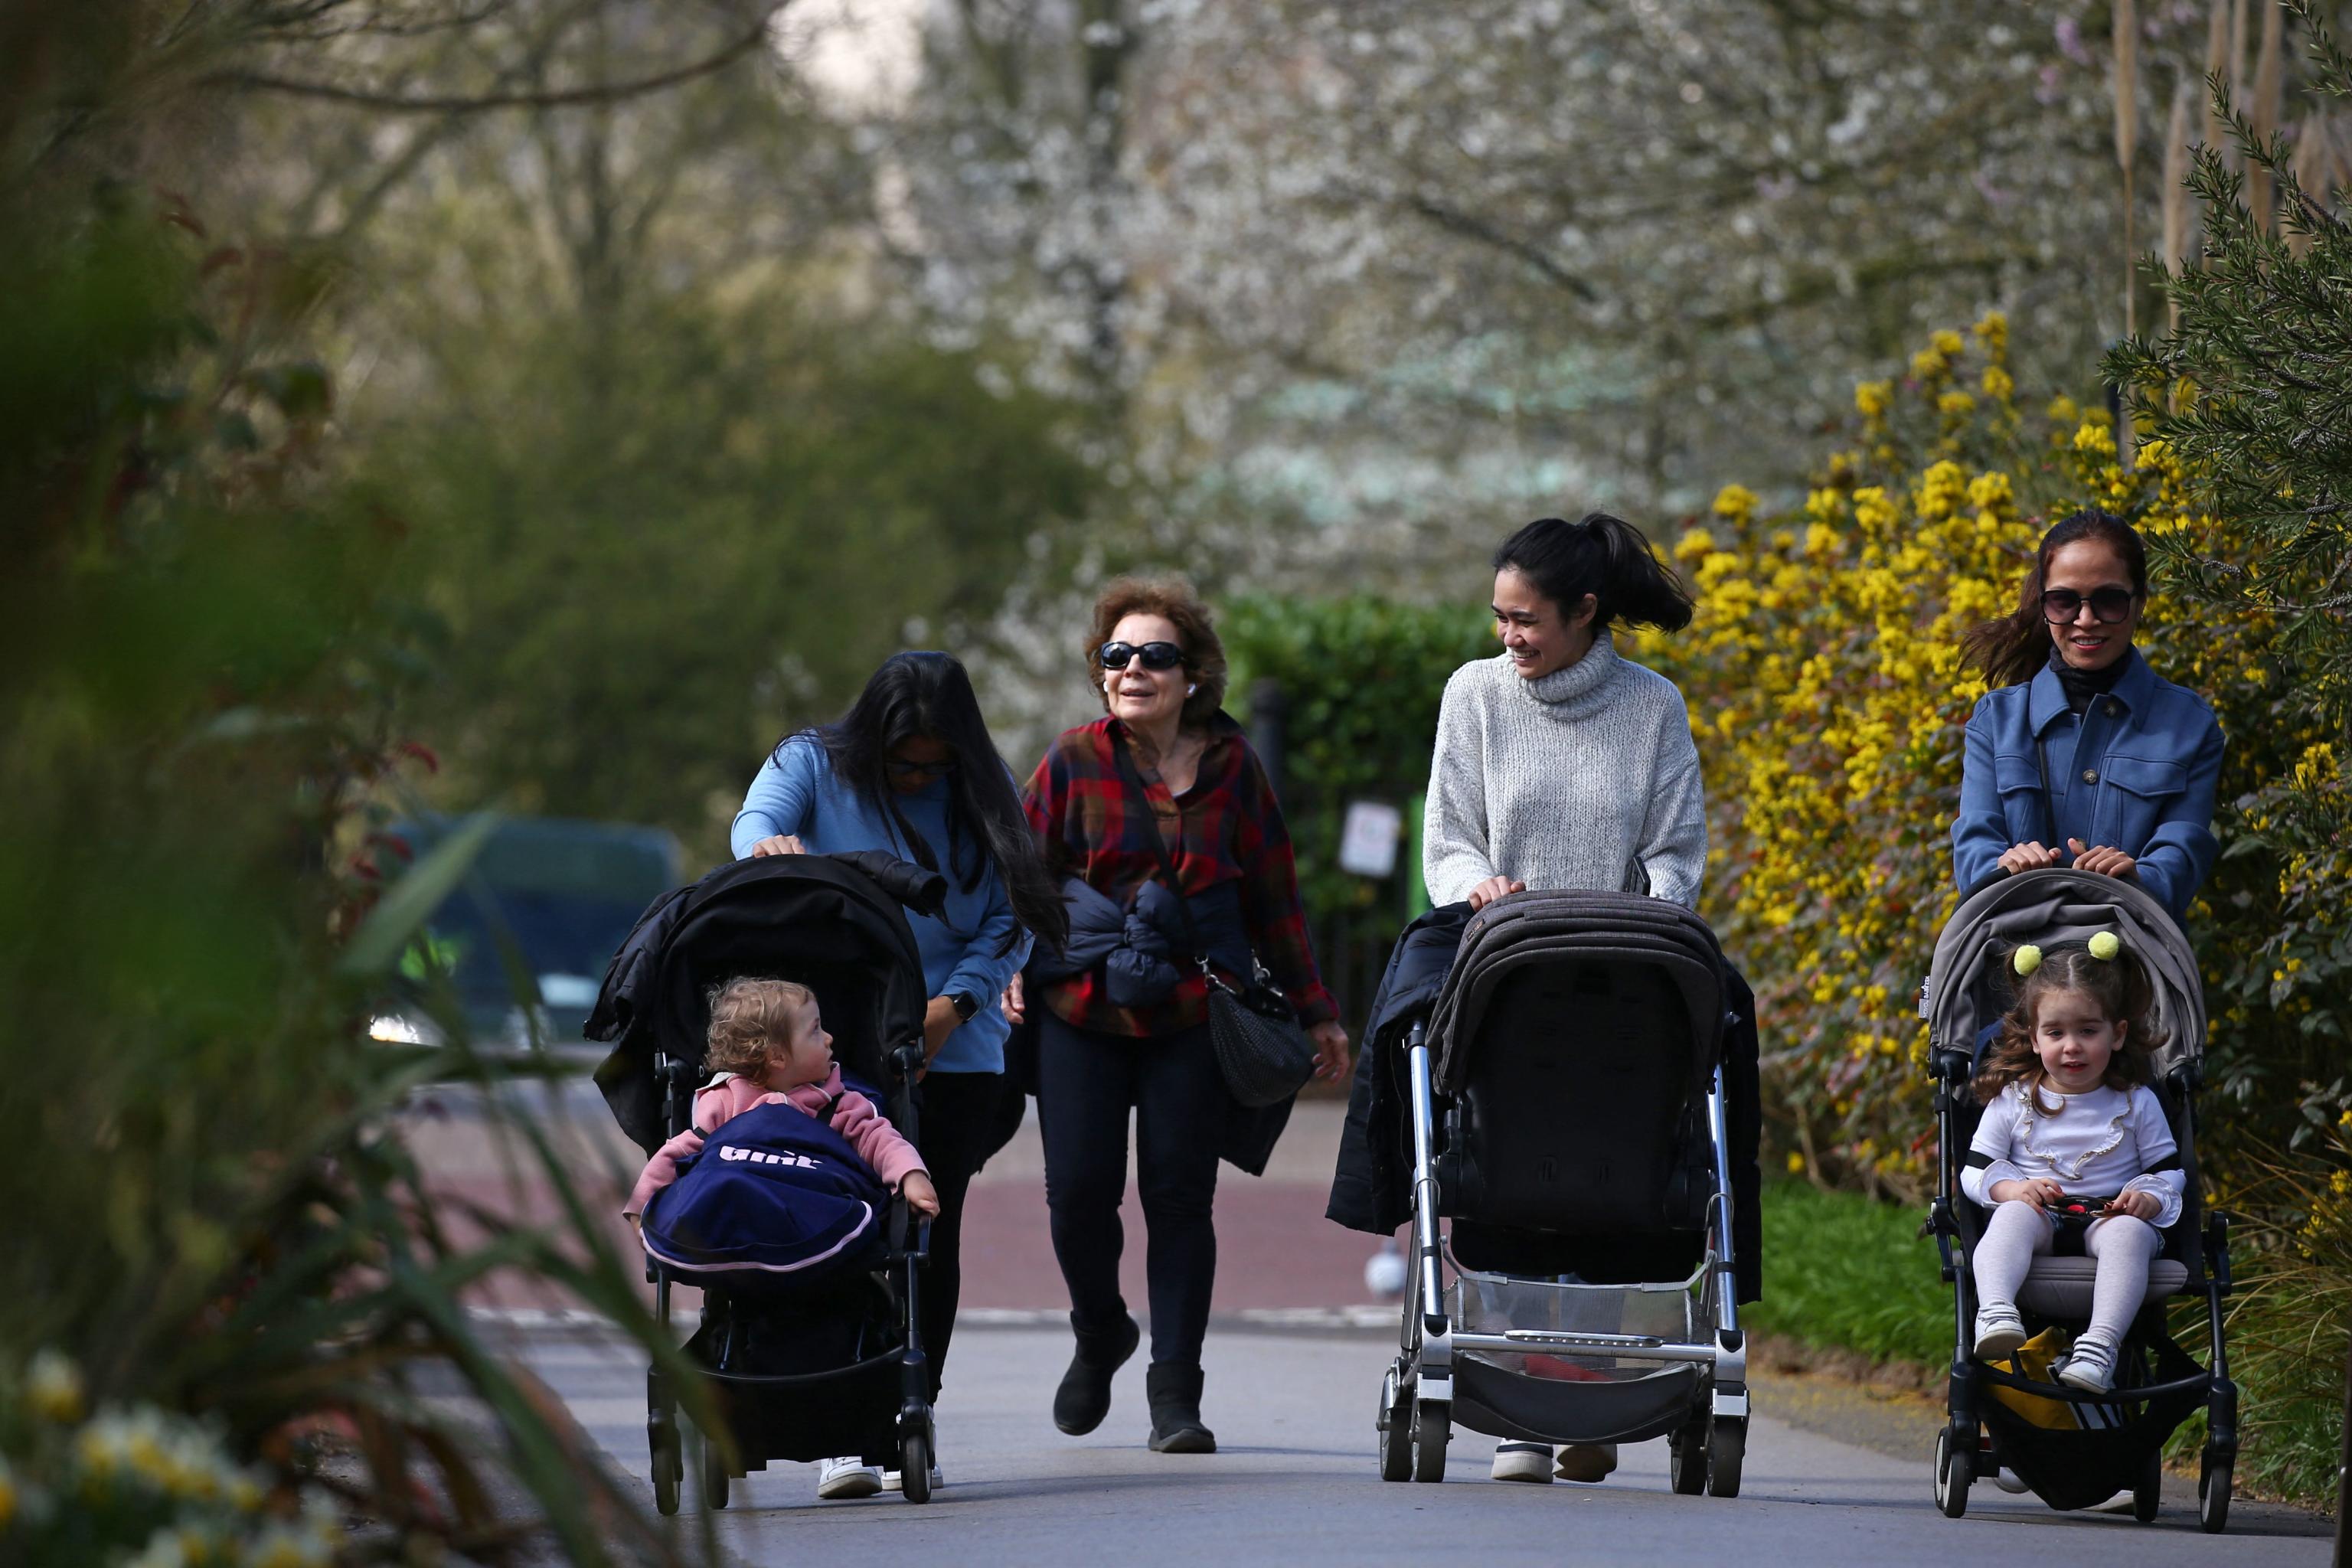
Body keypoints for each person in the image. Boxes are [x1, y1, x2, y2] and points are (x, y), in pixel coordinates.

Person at [1423, 511, 1759, 1488]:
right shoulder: (1474, 696)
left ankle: (1591, 1390)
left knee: (1615, 1175)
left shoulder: (1653, 705)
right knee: (1506, 1164)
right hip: (1505, 965)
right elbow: (1449, 834)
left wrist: (1650, 905)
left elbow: (1676, 848)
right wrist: (1477, 883)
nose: (1509, 638)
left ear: (1584, 612)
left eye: (1526, 620)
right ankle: (1517, 1407)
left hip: (1624, 975)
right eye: (1499, 617)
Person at [1008, 577, 1348, 1455]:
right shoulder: (1072, 761)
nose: (1132, 669)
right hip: (1080, 1008)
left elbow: (1276, 899)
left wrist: (1317, 1011)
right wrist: (1004, 964)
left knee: (1179, 1199)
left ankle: (1175, 1393)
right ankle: (1099, 1329)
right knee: (1078, 1192)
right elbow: (1022, 881)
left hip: (1196, 1013)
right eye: (1116, 655)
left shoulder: (1237, 771)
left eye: (1154, 654)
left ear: (1193, 673)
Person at [730, 651, 1065, 1498]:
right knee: (836, 1220)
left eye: (933, 764)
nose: (917, 777)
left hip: (950, 1046)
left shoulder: (988, 799)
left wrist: (955, 1005)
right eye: (901, 763)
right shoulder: (808, 761)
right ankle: (843, 1417)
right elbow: (755, 822)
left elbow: (1010, 920)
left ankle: (908, 1410)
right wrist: (771, 842)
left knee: (922, 1232)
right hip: (830, 1039)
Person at [1953, 508, 2226, 925]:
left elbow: (2183, 852)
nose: (2085, 620)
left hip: (2135, 960)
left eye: (2109, 600)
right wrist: (2005, 868)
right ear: (2044, 605)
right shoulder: (1996, 720)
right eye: (2064, 601)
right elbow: (1975, 850)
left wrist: (2137, 877)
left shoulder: (2189, 725)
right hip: (2009, 963)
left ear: (2140, 603)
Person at [1962, 939, 2181, 1395]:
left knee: (2129, 1233)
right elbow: (1974, 1171)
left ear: (2117, 1034)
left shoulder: (2136, 1102)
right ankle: (1996, 1311)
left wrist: (2149, 1197)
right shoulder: (2013, 1099)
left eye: (2088, 1031)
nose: (2072, 1047)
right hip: (2038, 1219)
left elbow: (2170, 1173)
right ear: (2034, 1036)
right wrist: (2011, 1191)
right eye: (2056, 1033)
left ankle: (2099, 1348)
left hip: (2107, 1218)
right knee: (2013, 1216)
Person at [623, 977, 939, 1226]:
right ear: (776, 1056)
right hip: (740, 1216)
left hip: (816, 1212)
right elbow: (678, 1151)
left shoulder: (838, 1103)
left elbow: (880, 1140)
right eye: (816, 1030)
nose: (829, 1038)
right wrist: (643, 1205)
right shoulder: (725, 1103)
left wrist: (911, 1175)